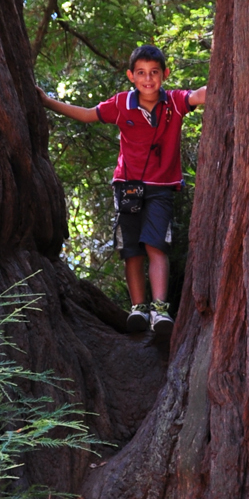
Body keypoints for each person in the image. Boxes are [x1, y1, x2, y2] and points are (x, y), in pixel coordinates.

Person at [37, 44, 206, 344]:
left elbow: (199, 96)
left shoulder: (175, 103)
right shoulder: (121, 104)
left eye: (154, 73)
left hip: (161, 188)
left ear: (165, 74)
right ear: (131, 76)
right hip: (127, 187)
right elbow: (89, 115)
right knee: (132, 250)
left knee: (157, 246)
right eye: (141, 73)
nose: (148, 79)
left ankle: (160, 311)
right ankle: (138, 309)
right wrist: (48, 102)